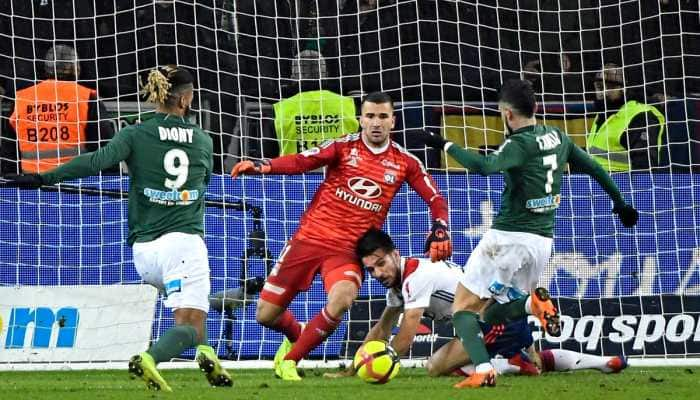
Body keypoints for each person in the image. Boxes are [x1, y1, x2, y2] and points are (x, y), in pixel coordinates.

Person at [3, 65, 231, 392]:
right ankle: (150, 358)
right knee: (191, 323)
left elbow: (97, 160)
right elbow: (204, 181)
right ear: (184, 101)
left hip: (143, 252)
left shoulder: (134, 133)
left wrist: (44, 177)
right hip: (182, 243)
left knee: (192, 306)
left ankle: (207, 356)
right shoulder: (203, 141)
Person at [415, 79, 638, 388]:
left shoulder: (518, 143)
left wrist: (443, 144)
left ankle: (483, 368)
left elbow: (484, 166)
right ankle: (531, 308)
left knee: (463, 310)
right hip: (541, 243)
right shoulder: (557, 137)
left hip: (507, 239)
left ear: (507, 114)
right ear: (534, 108)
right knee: (495, 313)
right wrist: (621, 204)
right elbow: (595, 169)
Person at [230, 91, 452, 381]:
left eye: (383, 116)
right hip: (309, 238)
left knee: (343, 298)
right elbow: (301, 161)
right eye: (370, 116)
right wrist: (264, 166)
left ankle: (290, 361)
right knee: (265, 314)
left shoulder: (405, 162)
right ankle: (298, 338)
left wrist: (440, 227)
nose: (376, 123)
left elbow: (436, 198)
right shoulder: (343, 147)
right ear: (360, 119)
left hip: (348, 251)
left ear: (393, 121)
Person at [334, 228, 627, 379]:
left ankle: (507, 363)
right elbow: (382, 329)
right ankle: (603, 363)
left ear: (395, 254)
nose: (378, 273)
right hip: (499, 313)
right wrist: (354, 368)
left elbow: (406, 335)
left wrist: (379, 365)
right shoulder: (399, 286)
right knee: (536, 364)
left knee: (435, 367)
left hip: (491, 319)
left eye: (381, 264)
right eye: (371, 270)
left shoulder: (415, 278)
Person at [7, 44, 114, 173]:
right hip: (76, 183)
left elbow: (9, 151)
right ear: (76, 69)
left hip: (32, 184)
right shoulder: (87, 97)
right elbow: (107, 149)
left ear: (46, 69)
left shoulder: (21, 99)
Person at [586, 63, 666, 171]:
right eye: (599, 87)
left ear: (623, 88)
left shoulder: (639, 116)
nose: (603, 92)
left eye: (610, 87)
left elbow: (644, 167)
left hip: (623, 185)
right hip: (596, 182)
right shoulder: (602, 114)